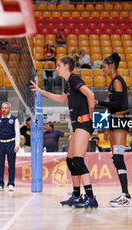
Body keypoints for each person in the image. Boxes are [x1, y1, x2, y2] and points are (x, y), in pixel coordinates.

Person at [30, 56, 98, 209]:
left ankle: (91, 198)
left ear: (66, 66)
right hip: (77, 125)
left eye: (59, 65)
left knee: (78, 160)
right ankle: (76, 196)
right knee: (70, 160)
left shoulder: (74, 78)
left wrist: (90, 118)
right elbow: (61, 99)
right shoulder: (68, 84)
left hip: (83, 123)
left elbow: (90, 94)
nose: (56, 68)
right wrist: (41, 91)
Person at [95, 52, 132, 207]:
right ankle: (124, 194)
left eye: (103, 67)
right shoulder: (113, 82)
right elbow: (114, 107)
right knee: (115, 158)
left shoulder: (117, 81)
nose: (102, 69)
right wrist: (106, 128)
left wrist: (99, 102)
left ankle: (126, 196)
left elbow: (118, 105)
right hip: (115, 121)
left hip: (121, 120)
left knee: (118, 158)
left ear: (111, 66)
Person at [0, 102, 20, 192]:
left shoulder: (14, 119)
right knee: (0, 165)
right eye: (2, 108)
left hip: (11, 143)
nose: (4, 110)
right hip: (0, 144)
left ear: (10, 109)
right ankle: (0, 184)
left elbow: (17, 133)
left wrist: (17, 145)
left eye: (6, 108)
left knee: (11, 164)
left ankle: (11, 184)